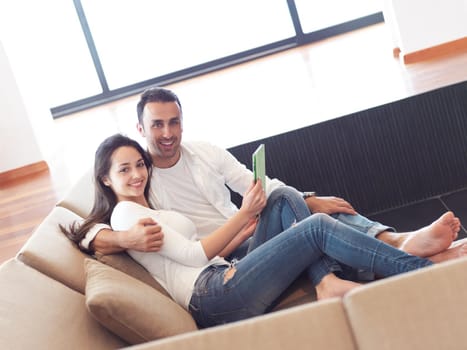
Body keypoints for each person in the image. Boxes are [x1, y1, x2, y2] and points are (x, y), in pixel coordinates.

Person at [80, 86, 462, 299]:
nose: (167, 133)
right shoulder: (138, 177)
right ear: (141, 128)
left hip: (252, 235)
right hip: (226, 253)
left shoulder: (204, 153)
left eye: (174, 122)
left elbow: (255, 184)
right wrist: (125, 237)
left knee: (295, 201)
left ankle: (391, 240)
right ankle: (401, 252)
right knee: (307, 219)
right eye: (157, 125)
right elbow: (91, 225)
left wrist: (309, 199)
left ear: (183, 123)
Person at [61, 134, 467, 328]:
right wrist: (243, 216)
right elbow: (194, 257)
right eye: (124, 169)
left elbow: (194, 250)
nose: (136, 173)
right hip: (213, 296)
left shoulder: (150, 203)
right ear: (105, 177)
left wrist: (250, 224)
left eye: (138, 165)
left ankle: (329, 280)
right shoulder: (125, 217)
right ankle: (424, 271)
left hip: (223, 273)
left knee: (285, 198)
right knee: (317, 228)